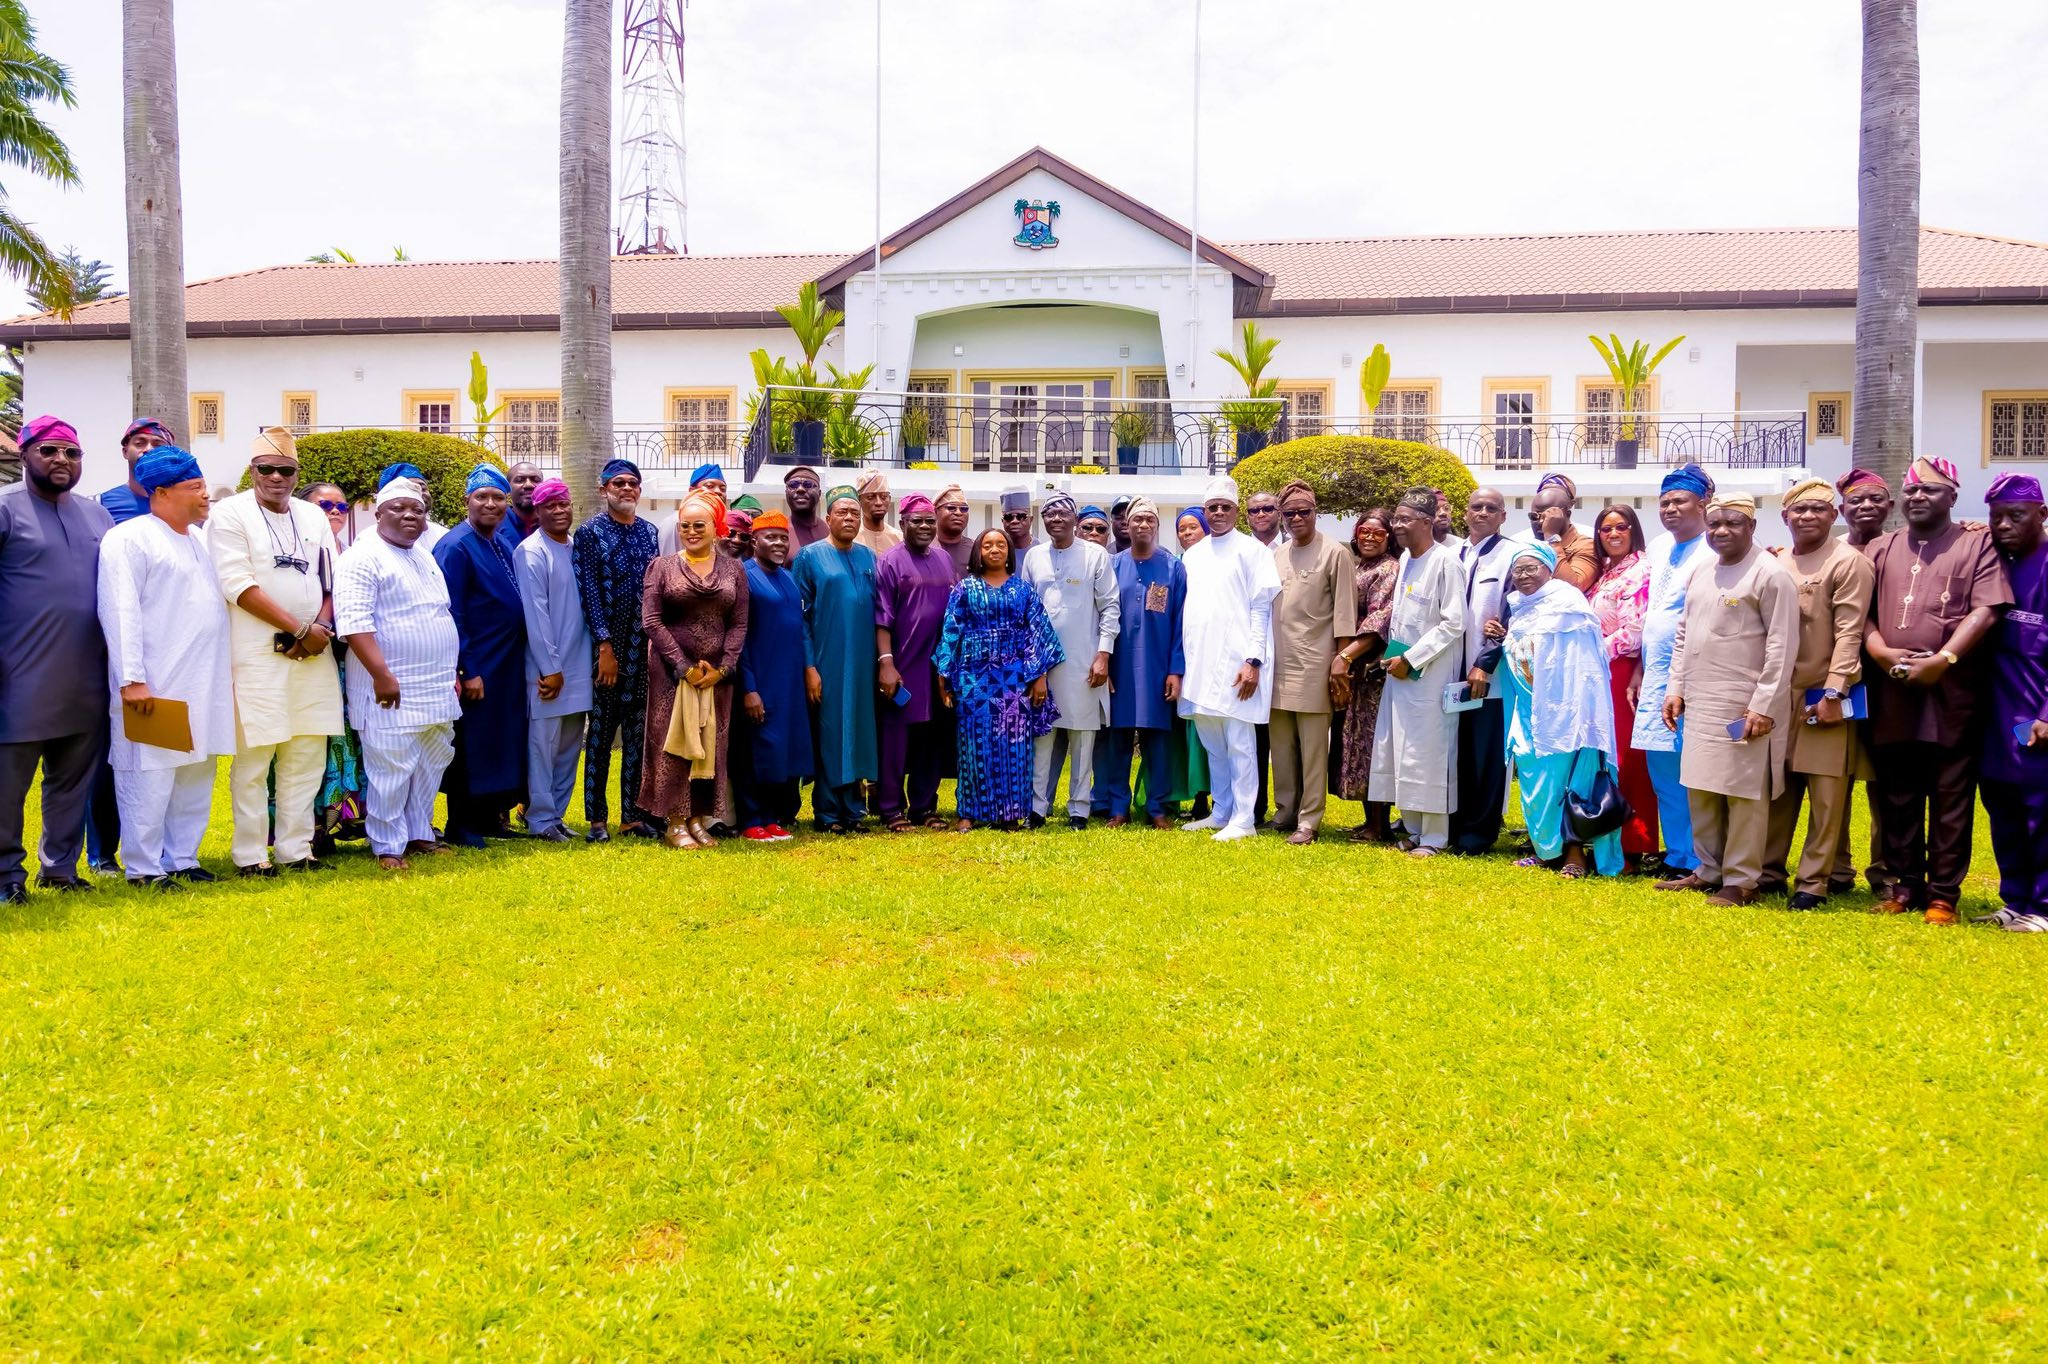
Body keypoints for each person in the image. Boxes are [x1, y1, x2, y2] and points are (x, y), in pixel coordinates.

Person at [1861, 456, 2012, 925]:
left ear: (1952, 496)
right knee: (1897, 793)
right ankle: (1904, 886)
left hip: (1951, 691)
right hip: (1892, 689)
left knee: (1950, 795)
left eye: (1929, 490)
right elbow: (1858, 613)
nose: (1917, 497)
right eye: (1910, 491)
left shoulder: (1976, 543)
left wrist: (1942, 660)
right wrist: (1882, 652)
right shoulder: (1881, 548)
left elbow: (1987, 609)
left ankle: (1943, 894)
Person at [96, 447, 234, 888]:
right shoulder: (129, 538)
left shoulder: (197, 539)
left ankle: (182, 858)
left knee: (196, 770)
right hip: (154, 683)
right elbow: (120, 612)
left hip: (202, 681)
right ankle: (143, 867)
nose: (205, 495)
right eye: (194, 488)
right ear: (161, 492)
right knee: (150, 775)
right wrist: (131, 679)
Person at [208, 427, 343, 876]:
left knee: (306, 755)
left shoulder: (313, 516)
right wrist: (300, 627)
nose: (276, 478)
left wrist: (320, 627)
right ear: (253, 471)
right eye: (267, 469)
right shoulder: (229, 513)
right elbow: (237, 586)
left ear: (296, 472)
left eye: (285, 470)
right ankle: (250, 854)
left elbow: (331, 579)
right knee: (255, 757)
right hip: (257, 656)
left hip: (313, 653)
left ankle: (296, 849)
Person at [1657, 494, 1799, 907]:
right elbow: (1684, 635)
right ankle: (1709, 869)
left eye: (1732, 523)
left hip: (1744, 704)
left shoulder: (1769, 574)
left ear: (1752, 526)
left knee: (1742, 793)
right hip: (1700, 699)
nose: (1721, 531)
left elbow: (1782, 645)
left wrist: (1763, 705)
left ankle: (1741, 880)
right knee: (1700, 786)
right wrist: (1675, 687)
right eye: (1715, 522)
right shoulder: (1702, 571)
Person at [0, 417, 115, 902]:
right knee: (7, 789)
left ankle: (61, 869)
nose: (61, 461)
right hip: (19, 677)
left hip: (87, 677)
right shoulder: (5, 508)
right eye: (49, 451)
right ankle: (6, 876)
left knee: (71, 781)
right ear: (24, 455)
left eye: (71, 453)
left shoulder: (97, 516)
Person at [334, 480, 462, 870]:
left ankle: (419, 831)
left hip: (435, 684)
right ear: (378, 512)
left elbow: (439, 613)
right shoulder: (363, 557)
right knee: (391, 764)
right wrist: (381, 674)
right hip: (390, 684)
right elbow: (354, 623)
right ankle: (388, 845)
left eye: (418, 510)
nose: (410, 515)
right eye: (399, 508)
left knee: (432, 760)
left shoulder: (422, 555)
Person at [1761, 478, 1876, 910]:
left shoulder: (1848, 563)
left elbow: (1850, 633)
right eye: (1799, 509)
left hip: (1822, 694)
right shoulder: (1776, 562)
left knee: (1827, 794)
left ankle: (1814, 881)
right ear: (1785, 516)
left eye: (1817, 509)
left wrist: (1834, 692)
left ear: (1834, 515)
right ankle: (1770, 870)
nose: (1807, 516)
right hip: (1778, 694)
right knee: (1779, 783)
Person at [1498, 542, 1626, 878]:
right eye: (1518, 570)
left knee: (1571, 783)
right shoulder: (1519, 607)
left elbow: (1585, 663)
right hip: (1528, 709)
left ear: (1548, 568)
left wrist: (1579, 711)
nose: (1524, 576)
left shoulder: (1568, 602)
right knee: (1534, 784)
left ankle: (1574, 855)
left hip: (1568, 712)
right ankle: (1548, 852)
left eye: (1532, 568)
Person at [85, 416, 173, 872]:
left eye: (157, 443)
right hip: (109, 650)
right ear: (124, 450)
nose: (146, 448)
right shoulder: (103, 507)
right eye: (138, 442)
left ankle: (157, 847)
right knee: (109, 752)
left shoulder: (182, 512)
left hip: (166, 653)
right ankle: (102, 853)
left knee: (157, 750)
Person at [934, 528, 1064, 832]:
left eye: (1001, 544)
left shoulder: (1023, 591)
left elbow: (1039, 634)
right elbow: (951, 630)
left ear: (1009, 552)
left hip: (1014, 680)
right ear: (978, 552)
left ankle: (1009, 814)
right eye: (988, 545)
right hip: (973, 680)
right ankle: (968, 812)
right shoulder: (965, 589)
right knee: (972, 745)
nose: (994, 549)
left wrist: (1039, 676)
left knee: (1014, 745)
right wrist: (943, 673)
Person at [640, 487, 749, 850]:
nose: (691, 531)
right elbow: (652, 621)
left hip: (716, 676)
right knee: (675, 745)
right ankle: (673, 822)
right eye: (685, 526)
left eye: (699, 525)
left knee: (709, 745)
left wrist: (723, 668)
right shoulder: (663, 567)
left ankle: (698, 818)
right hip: (672, 674)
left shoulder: (733, 569)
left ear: (716, 527)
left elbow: (739, 623)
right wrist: (685, 667)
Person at [1177, 476, 1282, 842]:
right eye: (1213, 507)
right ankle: (1221, 811)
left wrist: (1253, 659)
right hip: (1199, 663)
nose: (1219, 512)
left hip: (1239, 664)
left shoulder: (1254, 552)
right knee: (1212, 742)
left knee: (1240, 742)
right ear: (1205, 512)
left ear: (1237, 512)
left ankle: (1243, 818)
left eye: (1226, 507)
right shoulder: (1193, 555)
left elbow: (1260, 608)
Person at [429, 463, 528, 847]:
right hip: (479, 663)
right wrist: (466, 668)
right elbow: (452, 611)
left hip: (506, 662)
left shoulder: (501, 540)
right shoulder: (456, 545)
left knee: (499, 740)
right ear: (467, 501)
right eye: (481, 497)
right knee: (471, 744)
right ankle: (462, 825)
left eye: (498, 498)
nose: (490, 504)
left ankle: (490, 819)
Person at [1370, 488, 1468, 855]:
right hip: (1400, 674)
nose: (1396, 525)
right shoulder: (1408, 560)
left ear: (1427, 522)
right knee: (1401, 749)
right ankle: (1411, 828)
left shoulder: (1446, 561)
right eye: (1395, 518)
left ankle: (1434, 837)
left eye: (1404, 519)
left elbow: (1454, 622)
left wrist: (1412, 658)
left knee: (1429, 753)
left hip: (1431, 674)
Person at [572, 458, 662, 842]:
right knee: (602, 736)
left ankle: (631, 815)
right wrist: (604, 646)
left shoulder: (649, 532)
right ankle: (597, 819)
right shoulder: (591, 533)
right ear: (603, 489)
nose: (627, 489)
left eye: (633, 484)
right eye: (618, 483)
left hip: (643, 648)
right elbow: (589, 591)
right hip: (608, 649)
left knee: (637, 736)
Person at [1633, 464, 1715, 878]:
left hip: (1694, 679)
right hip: (1654, 676)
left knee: (1694, 770)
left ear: (1703, 504)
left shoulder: (1713, 548)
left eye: (1679, 501)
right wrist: (1639, 672)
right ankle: (1679, 854)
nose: (1670, 508)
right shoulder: (1660, 547)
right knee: (1662, 769)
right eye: (1664, 502)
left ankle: (1703, 857)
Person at [1021, 492, 1120, 828]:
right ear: (1043, 520)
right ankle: (1037, 807)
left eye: (1063, 513)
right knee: (1043, 738)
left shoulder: (1095, 556)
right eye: (1049, 513)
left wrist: (1103, 655)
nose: (1056, 518)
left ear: (1075, 520)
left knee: (1083, 738)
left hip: (1084, 663)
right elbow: (1027, 614)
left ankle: (1079, 809)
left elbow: (1110, 608)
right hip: (1044, 666)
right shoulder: (1034, 557)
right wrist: (1032, 666)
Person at [1977, 473, 2048, 931]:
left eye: (2015, 516)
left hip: (2036, 715)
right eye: (1996, 517)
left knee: (2040, 814)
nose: (2004, 525)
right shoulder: (1992, 563)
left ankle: (2042, 908)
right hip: (1993, 717)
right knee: (2001, 808)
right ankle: (2013, 899)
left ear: (2041, 515)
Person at [1267, 480, 1355, 845]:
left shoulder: (1335, 553)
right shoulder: (1277, 555)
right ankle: (1285, 810)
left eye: (1305, 511)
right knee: (1282, 746)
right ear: (1282, 518)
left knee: (1314, 747)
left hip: (1315, 663)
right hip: (1278, 663)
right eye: (1290, 513)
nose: (1298, 518)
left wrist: (1341, 661)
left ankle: (1309, 819)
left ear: (1315, 512)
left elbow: (1345, 614)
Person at [793, 487, 880, 834]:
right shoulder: (809, 558)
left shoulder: (868, 557)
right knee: (831, 735)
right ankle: (828, 813)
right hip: (827, 662)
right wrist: (809, 667)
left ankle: (854, 811)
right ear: (828, 518)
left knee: (858, 732)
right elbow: (799, 617)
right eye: (842, 512)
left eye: (854, 514)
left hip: (862, 663)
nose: (849, 518)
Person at [872, 493, 958, 832]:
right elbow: (882, 617)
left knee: (932, 737)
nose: (924, 527)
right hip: (903, 664)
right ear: (903, 523)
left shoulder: (943, 559)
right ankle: (891, 809)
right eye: (917, 521)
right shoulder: (890, 561)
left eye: (929, 521)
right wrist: (886, 663)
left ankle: (925, 806)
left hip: (938, 666)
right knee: (896, 738)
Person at [514, 479, 590, 843]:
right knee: (543, 746)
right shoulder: (531, 551)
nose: (559, 511)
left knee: (570, 744)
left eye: (564, 504)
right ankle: (540, 819)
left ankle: (556, 815)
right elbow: (536, 613)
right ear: (538, 511)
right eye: (551, 506)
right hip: (549, 670)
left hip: (580, 663)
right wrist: (551, 668)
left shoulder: (577, 548)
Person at [1104, 497, 1185, 829]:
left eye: (1149, 520)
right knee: (1118, 740)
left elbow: (1181, 622)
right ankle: (1118, 807)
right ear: (1127, 525)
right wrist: (1104, 664)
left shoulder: (1172, 567)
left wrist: (1175, 671)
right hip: (1120, 666)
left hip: (1157, 667)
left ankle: (1157, 807)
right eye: (1136, 520)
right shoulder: (1112, 565)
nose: (1142, 526)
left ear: (1157, 525)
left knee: (1157, 741)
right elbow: (1103, 618)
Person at [1834, 466, 1896, 895]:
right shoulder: (1832, 549)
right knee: (1832, 778)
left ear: (1890, 506)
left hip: (1886, 681)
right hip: (1834, 680)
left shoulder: (1903, 547)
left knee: (1882, 780)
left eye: (1875, 499)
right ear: (1843, 508)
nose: (1866, 507)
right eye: (1857, 500)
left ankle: (1886, 871)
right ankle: (1837, 869)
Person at [734, 511, 811, 842]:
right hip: (759, 677)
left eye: (783, 537)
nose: (779, 543)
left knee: (781, 751)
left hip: (789, 680)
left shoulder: (789, 577)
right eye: (771, 537)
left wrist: (809, 670)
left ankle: (771, 816)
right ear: (755, 542)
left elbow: (801, 627)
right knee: (757, 749)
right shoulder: (744, 577)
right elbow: (740, 638)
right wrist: (749, 688)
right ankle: (751, 817)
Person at [1588, 504, 1658, 868]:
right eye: (1605, 529)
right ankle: (1605, 835)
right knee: (1603, 755)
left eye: (1621, 527)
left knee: (1627, 759)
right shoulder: (1605, 572)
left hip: (1620, 669)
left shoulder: (1640, 570)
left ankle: (1634, 844)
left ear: (1633, 531)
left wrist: (1589, 651)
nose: (1613, 534)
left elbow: (1634, 631)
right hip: (1599, 671)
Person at [1450, 486, 1516, 855]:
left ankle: (1479, 834)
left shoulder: (1509, 555)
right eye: (1477, 507)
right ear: (1466, 512)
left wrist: (1484, 663)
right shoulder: (1453, 552)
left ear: (1503, 516)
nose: (1483, 513)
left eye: (1492, 508)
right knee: (1456, 752)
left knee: (1484, 755)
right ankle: (1455, 825)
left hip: (1485, 675)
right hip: (1450, 673)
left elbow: (1507, 613)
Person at [301, 483, 366, 848]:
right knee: (308, 745)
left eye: (342, 506)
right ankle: (307, 828)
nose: (336, 511)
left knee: (339, 744)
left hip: (342, 664)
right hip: (307, 654)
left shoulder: (349, 552)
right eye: (325, 504)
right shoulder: (303, 547)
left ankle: (333, 820)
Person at [1336, 508, 1400, 843]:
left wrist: (1345, 655)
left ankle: (1380, 825)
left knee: (1375, 746)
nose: (1370, 537)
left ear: (1389, 537)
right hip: (1356, 670)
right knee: (1357, 744)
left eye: (1378, 532)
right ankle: (1368, 822)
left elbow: (1378, 622)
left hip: (1374, 669)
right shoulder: (1357, 565)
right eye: (1364, 530)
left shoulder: (1390, 569)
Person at [1529, 473, 1596, 593]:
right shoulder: (1526, 546)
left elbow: (1574, 586)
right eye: (1534, 516)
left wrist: (1552, 539)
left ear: (1568, 515)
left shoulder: (1586, 545)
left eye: (1549, 516)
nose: (1540, 522)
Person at [376, 462, 449, 550]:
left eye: (423, 488)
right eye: (411, 489)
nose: (419, 494)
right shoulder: (372, 543)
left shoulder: (445, 536)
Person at [854, 470, 903, 557]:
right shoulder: (852, 538)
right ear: (859, 500)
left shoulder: (900, 540)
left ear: (890, 499)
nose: (878, 502)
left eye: (884, 497)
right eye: (870, 497)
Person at [783, 466, 828, 550]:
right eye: (793, 485)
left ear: (819, 493)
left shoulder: (830, 531)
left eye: (808, 484)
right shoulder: (779, 531)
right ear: (786, 493)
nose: (800, 489)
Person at [933, 484, 975, 575]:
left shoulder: (976, 549)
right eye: (951, 508)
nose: (958, 513)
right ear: (935, 512)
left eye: (964, 509)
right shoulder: (924, 547)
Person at [506, 461, 544, 540]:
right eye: (519, 480)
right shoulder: (495, 525)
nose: (528, 485)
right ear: (508, 488)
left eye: (536, 480)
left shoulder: (553, 522)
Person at [1000, 487, 1034, 556]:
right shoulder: (998, 552)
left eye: (1021, 516)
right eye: (1008, 517)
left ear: (1031, 520)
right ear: (1003, 521)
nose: (1014, 521)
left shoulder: (1041, 551)